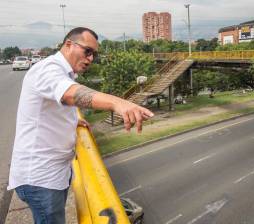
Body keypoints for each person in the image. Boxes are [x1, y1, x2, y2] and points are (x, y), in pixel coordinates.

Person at [7, 27, 154, 224]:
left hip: (53, 174)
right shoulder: (48, 69)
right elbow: (69, 94)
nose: (91, 58)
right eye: (87, 51)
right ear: (69, 44)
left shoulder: (64, 73)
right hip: (40, 179)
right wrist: (117, 103)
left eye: (94, 54)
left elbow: (53, 105)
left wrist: (72, 120)